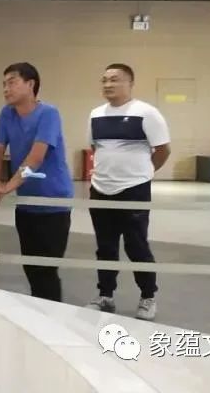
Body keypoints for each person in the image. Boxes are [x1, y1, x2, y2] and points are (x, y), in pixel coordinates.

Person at [0, 62, 73, 301]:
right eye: (4, 84)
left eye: (12, 82)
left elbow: (36, 157)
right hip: (26, 202)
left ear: (30, 84)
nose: (6, 89)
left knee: (46, 269)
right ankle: (38, 311)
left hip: (53, 201)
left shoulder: (49, 114)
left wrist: (6, 187)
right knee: (31, 267)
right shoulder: (7, 113)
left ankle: (50, 314)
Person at [86, 64, 170, 320]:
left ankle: (148, 296)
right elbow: (95, 148)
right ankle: (105, 295)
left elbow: (163, 150)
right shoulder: (95, 114)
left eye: (115, 80)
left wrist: (143, 174)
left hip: (134, 190)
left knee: (137, 245)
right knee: (105, 246)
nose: (108, 85)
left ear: (130, 83)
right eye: (104, 80)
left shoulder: (146, 113)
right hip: (100, 189)